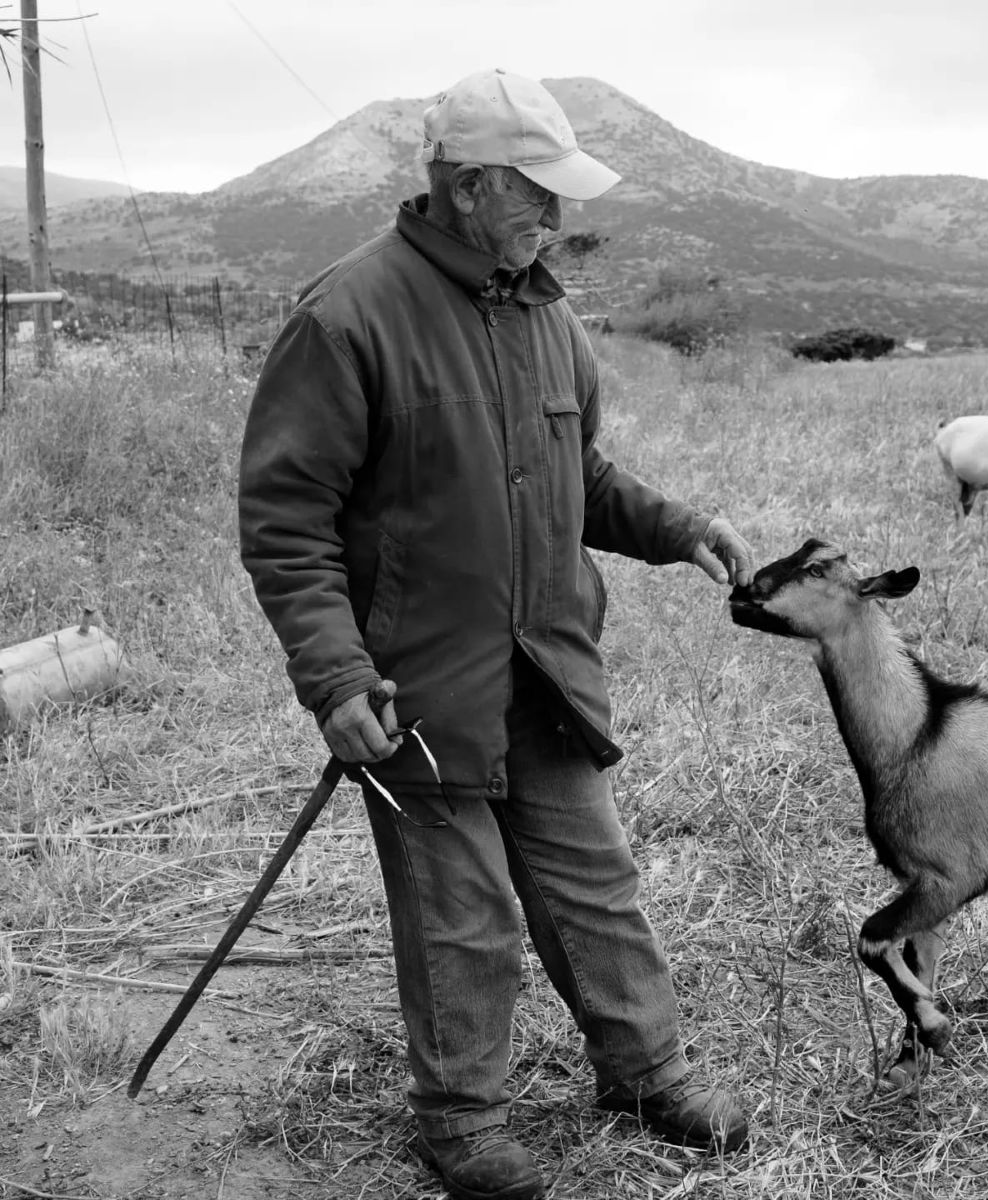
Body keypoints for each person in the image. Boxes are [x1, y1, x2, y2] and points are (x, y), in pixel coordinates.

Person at [238, 67, 754, 1200]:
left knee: (595, 885)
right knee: (461, 919)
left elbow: (580, 475)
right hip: (419, 687)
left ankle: (646, 1072)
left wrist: (679, 528)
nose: (557, 216)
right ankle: (461, 1121)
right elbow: (287, 521)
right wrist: (335, 674)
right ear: (468, 188)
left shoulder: (548, 316)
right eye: (536, 191)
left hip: (546, 664)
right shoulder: (347, 316)